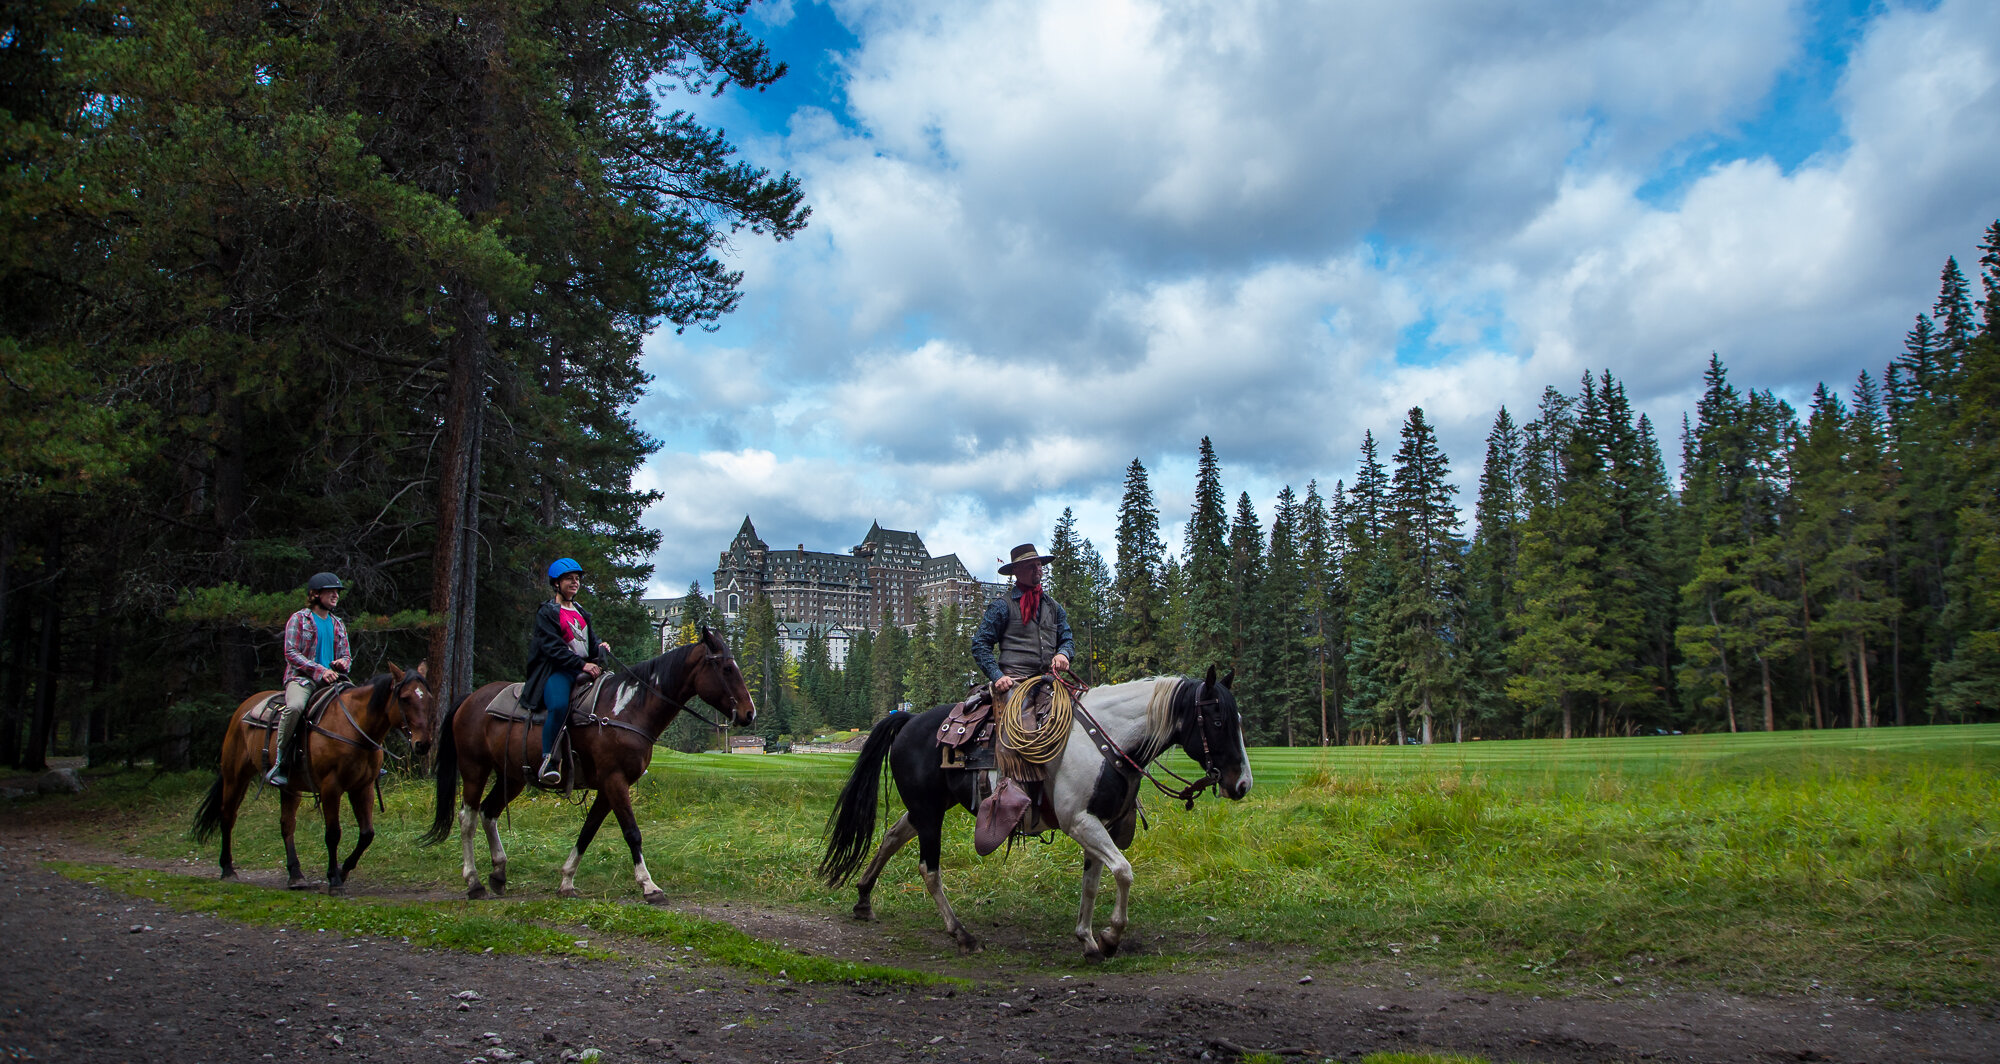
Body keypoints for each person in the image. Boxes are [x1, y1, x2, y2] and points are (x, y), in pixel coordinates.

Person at [524, 557, 611, 785]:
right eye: (569, 579)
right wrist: (581, 664)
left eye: (577, 579)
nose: (575, 582)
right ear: (556, 583)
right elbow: (552, 648)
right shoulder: (547, 612)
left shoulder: (581, 612)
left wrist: (601, 647)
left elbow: (590, 643)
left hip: (583, 670)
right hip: (558, 671)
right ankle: (549, 760)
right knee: (560, 706)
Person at [266, 572, 352, 786]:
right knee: (294, 707)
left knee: (363, 706)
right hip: (302, 680)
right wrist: (319, 671)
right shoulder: (299, 619)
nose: (335, 595)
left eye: (337, 592)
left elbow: (346, 655)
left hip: (334, 682)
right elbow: (291, 652)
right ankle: (280, 761)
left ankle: (367, 760)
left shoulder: (338, 624)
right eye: (330, 591)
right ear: (315, 594)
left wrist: (343, 663)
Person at [971, 543, 1075, 694]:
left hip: (1050, 681)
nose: (1037, 568)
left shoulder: (1054, 607)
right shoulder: (1002, 606)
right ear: (1016, 571)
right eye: (1030, 565)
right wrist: (997, 676)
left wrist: (1063, 653)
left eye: (1038, 564)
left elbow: (1067, 639)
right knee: (1020, 718)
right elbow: (980, 644)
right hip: (1014, 683)